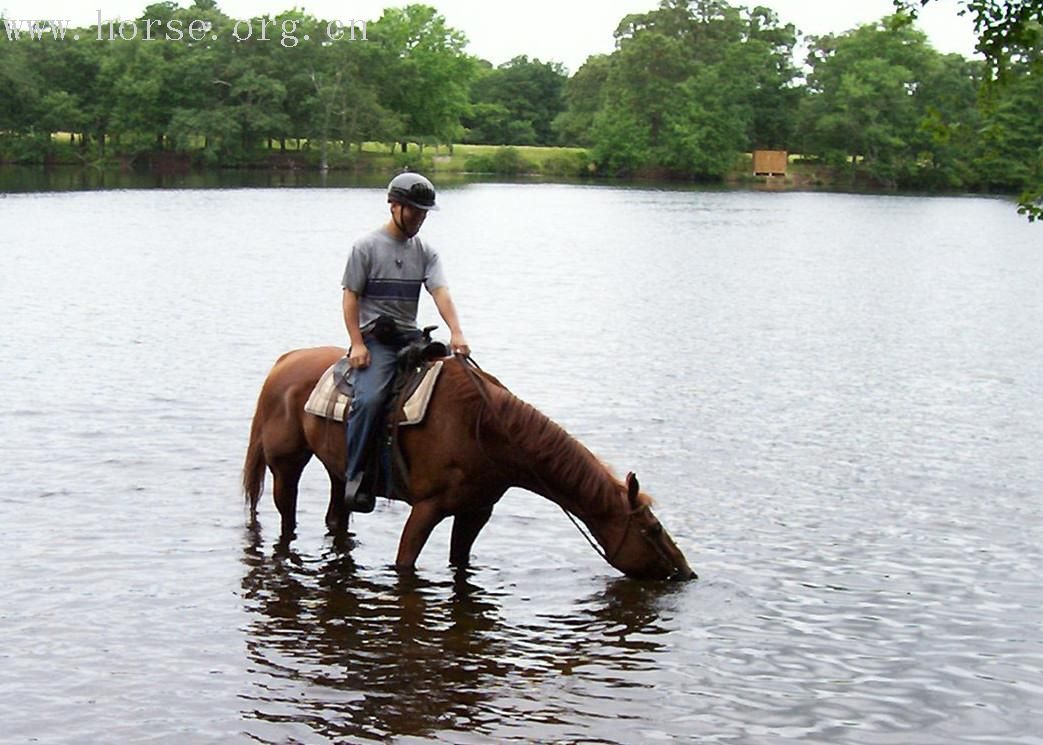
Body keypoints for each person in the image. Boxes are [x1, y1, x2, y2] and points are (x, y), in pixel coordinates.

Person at [341, 172, 470, 512]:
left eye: (424, 213)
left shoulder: (426, 252)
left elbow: (440, 291)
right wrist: (357, 344)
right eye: (414, 211)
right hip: (377, 340)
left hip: (409, 337)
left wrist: (456, 331)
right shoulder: (365, 247)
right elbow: (351, 297)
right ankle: (356, 477)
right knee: (369, 400)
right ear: (394, 206)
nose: (419, 218)